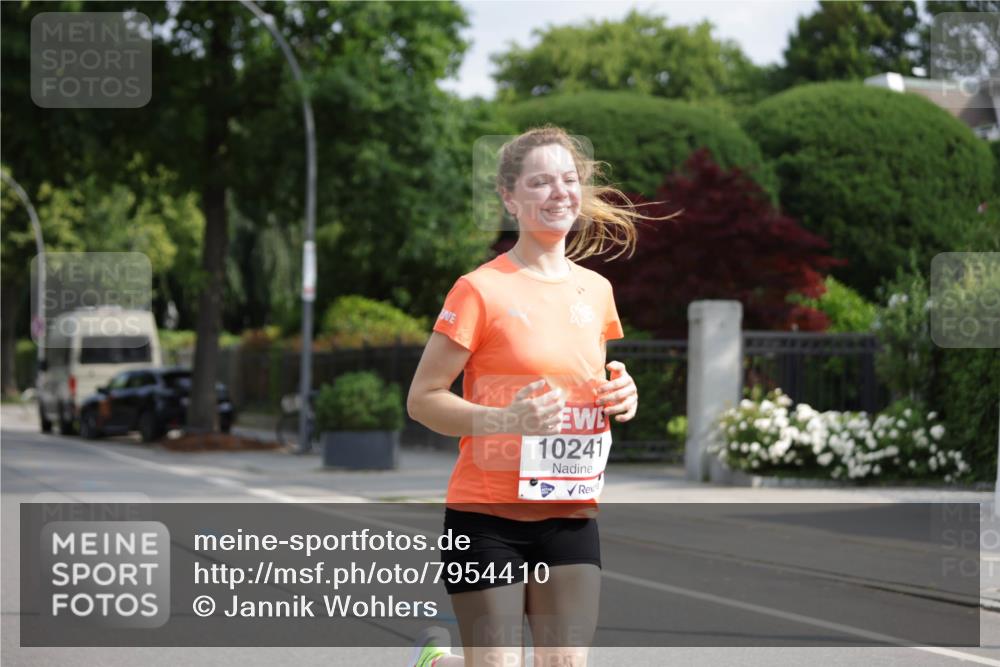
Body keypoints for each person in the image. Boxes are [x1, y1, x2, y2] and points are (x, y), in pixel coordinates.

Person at [407, 125, 651, 667]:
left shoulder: (596, 290)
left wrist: (623, 393)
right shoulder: (480, 290)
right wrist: (505, 419)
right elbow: (422, 399)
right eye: (540, 182)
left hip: (570, 514)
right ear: (510, 197)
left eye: (568, 180)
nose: (559, 192)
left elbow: (585, 378)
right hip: (486, 517)